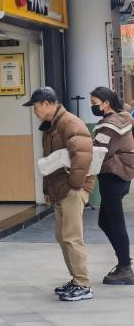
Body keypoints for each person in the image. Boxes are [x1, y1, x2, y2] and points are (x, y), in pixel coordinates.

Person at [23, 87, 94, 301]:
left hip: (72, 189)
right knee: (63, 236)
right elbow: (50, 162)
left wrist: (75, 186)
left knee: (72, 237)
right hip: (61, 189)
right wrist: (48, 190)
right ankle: (76, 279)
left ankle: (83, 284)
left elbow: (82, 156)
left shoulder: (70, 123)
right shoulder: (53, 125)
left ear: (47, 103)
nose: (34, 112)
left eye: (35, 107)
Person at [90, 87, 134, 284]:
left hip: (113, 176)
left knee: (115, 222)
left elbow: (99, 150)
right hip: (121, 176)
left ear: (106, 103)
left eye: (94, 103)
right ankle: (124, 264)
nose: (92, 106)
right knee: (105, 222)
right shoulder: (123, 118)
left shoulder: (110, 125)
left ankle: (125, 268)